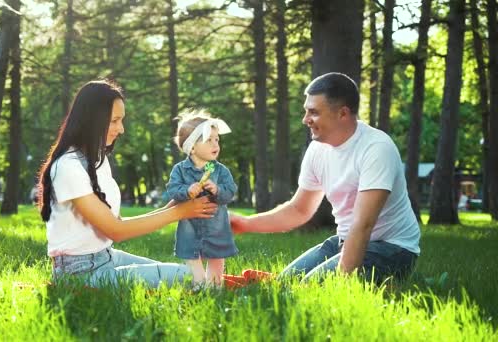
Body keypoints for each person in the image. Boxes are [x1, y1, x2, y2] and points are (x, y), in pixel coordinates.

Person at [230, 72, 420, 283]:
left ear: (343, 113)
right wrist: (244, 223)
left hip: (393, 250)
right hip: (344, 240)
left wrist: (339, 282)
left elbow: (363, 224)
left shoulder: (377, 149)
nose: (305, 120)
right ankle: (274, 282)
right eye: (306, 111)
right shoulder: (317, 149)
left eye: (314, 112)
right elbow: (299, 210)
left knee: (305, 289)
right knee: (284, 285)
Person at [37, 80, 217, 288]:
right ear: (92, 120)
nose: (121, 129)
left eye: (121, 120)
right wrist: (181, 213)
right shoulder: (69, 167)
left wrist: (174, 206)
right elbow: (116, 231)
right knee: (192, 278)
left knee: (195, 275)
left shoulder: (97, 160)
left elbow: (117, 222)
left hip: (106, 257)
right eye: (114, 121)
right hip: (79, 272)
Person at [166, 110, 238, 287]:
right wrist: (186, 191)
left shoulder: (221, 171)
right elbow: (173, 190)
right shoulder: (180, 170)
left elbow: (230, 192)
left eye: (217, 140)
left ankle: (214, 288)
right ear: (192, 147)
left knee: (217, 259)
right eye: (209, 140)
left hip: (216, 227)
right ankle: (198, 285)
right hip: (190, 228)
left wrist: (218, 190)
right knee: (192, 258)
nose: (216, 144)